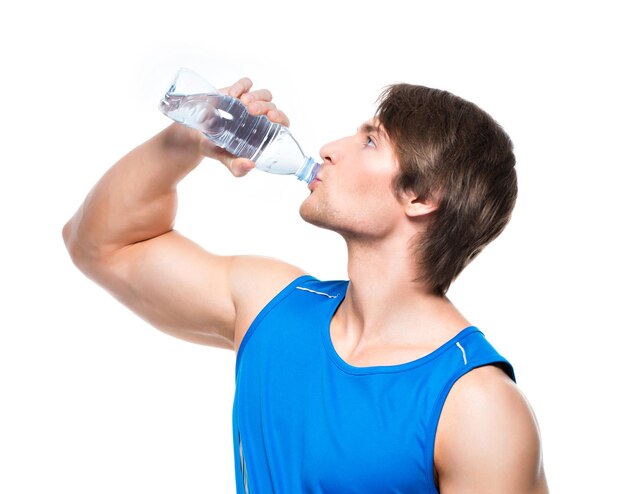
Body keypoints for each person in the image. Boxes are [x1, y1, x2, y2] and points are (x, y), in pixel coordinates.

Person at [62, 76, 549, 493]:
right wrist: (186, 141)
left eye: (370, 141)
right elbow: (100, 243)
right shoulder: (271, 306)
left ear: (421, 196)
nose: (328, 150)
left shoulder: (478, 407)